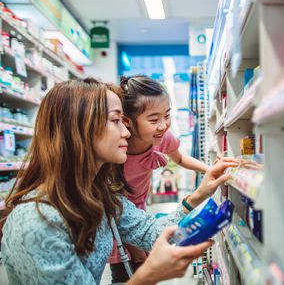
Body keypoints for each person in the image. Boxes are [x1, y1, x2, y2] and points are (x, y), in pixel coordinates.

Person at [0, 78, 238, 284]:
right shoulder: (38, 220)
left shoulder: (97, 196)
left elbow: (150, 231)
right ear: (79, 130)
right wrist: (149, 276)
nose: (126, 133)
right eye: (116, 121)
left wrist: (200, 196)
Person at [109, 75, 210, 282]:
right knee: (127, 272)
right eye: (154, 120)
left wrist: (210, 170)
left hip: (140, 214)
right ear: (127, 122)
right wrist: (133, 245)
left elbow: (180, 157)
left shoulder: (159, 138)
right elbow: (114, 208)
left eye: (167, 115)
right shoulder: (116, 152)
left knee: (145, 268)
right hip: (117, 222)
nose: (164, 125)